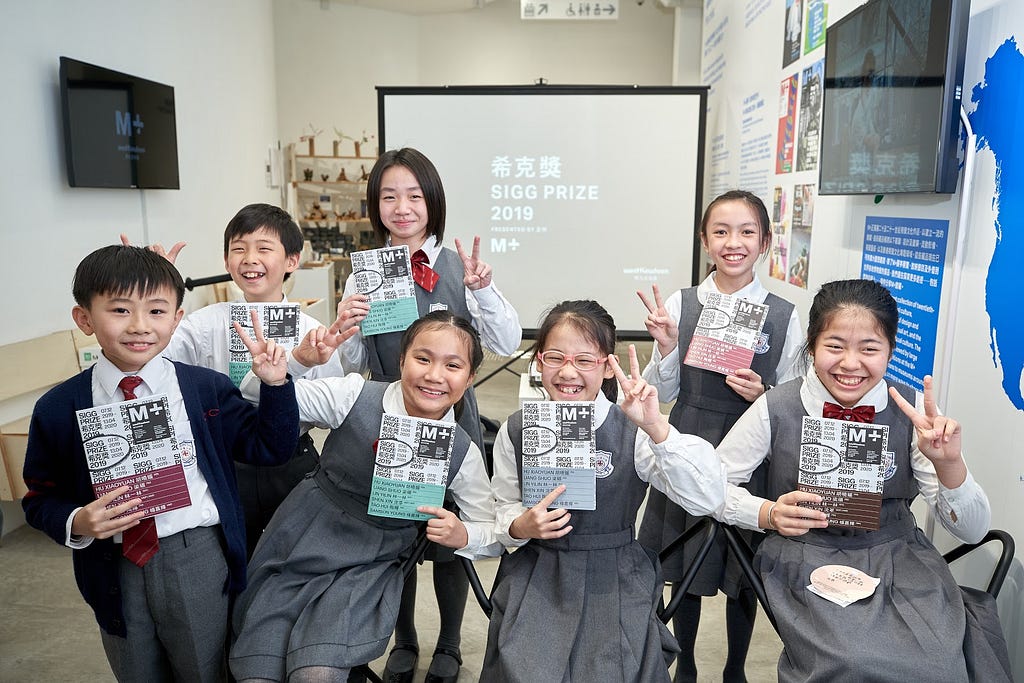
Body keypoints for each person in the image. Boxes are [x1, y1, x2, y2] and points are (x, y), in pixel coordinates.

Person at [21, 245, 300, 682]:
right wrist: (77, 520)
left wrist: (277, 386)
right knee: (135, 669)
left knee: (205, 668)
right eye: (119, 310)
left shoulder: (204, 389)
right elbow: (39, 497)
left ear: (177, 317)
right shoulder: (59, 408)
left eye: (156, 311)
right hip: (111, 561)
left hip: (197, 556)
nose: (139, 326)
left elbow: (271, 448)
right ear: (84, 319)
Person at [711, 278, 1012, 682]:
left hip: (898, 554)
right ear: (812, 346)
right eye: (834, 346)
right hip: (807, 551)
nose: (850, 364)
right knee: (853, 662)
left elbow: (973, 530)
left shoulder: (912, 414)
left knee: (939, 662)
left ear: (889, 351)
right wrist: (764, 513)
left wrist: (950, 464)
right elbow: (708, 483)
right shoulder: (777, 406)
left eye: (869, 349)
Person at [229, 311, 502, 683]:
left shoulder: (462, 450)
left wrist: (464, 535)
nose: (435, 375)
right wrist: (286, 370)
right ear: (401, 359)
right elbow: (256, 397)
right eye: (423, 359)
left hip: (369, 564)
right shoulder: (353, 393)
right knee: (257, 670)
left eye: (452, 366)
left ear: (469, 379)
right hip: (301, 538)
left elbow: (489, 528)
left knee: (317, 673)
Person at [333, 147, 521, 683]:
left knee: (448, 531)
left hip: (449, 416)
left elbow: (507, 341)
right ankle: (404, 641)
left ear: (432, 201)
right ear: (375, 205)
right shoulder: (363, 272)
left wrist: (482, 292)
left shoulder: (461, 266)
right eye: (389, 196)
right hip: (386, 416)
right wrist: (348, 324)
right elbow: (353, 362)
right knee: (393, 529)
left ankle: (449, 645)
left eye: (414, 195)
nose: (402, 207)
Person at [483, 300, 727, 682]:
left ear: (606, 365)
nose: (567, 372)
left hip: (616, 572)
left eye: (584, 360)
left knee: (615, 667)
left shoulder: (632, 428)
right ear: (537, 361)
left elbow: (709, 496)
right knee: (525, 667)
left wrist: (656, 427)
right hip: (538, 570)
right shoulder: (517, 429)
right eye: (555, 357)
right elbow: (504, 506)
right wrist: (520, 526)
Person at [636, 189, 803, 682]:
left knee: (742, 571)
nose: (734, 243)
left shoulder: (784, 313)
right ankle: (683, 663)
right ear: (705, 241)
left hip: (754, 447)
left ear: (766, 241)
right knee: (684, 564)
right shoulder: (682, 303)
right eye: (721, 232)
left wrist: (764, 394)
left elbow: (794, 392)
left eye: (747, 232)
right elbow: (661, 388)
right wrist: (667, 347)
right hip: (688, 433)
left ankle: (734, 669)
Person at [132, 203, 351, 557]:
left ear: (292, 261)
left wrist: (290, 373)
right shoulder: (203, 324)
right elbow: (151, 360)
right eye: (239, 249)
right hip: (224, 458)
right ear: (226, 260)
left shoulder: (313, 332)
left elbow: (333, 409)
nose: (250, 258)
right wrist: (159, 291)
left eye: (264, 248)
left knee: (294, 558)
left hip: (292, 461)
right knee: (231, 558)